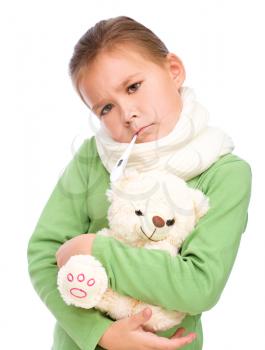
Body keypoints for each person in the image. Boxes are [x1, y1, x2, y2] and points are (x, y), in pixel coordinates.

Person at [27, 16, 252, 350]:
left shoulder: (225, 173)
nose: (127, 112)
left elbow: (199, 286)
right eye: (105, 108)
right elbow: (44, 254)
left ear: (173, 70)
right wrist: (98, 334)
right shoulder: (94, 157)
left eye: (133, 87)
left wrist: (95, 248)